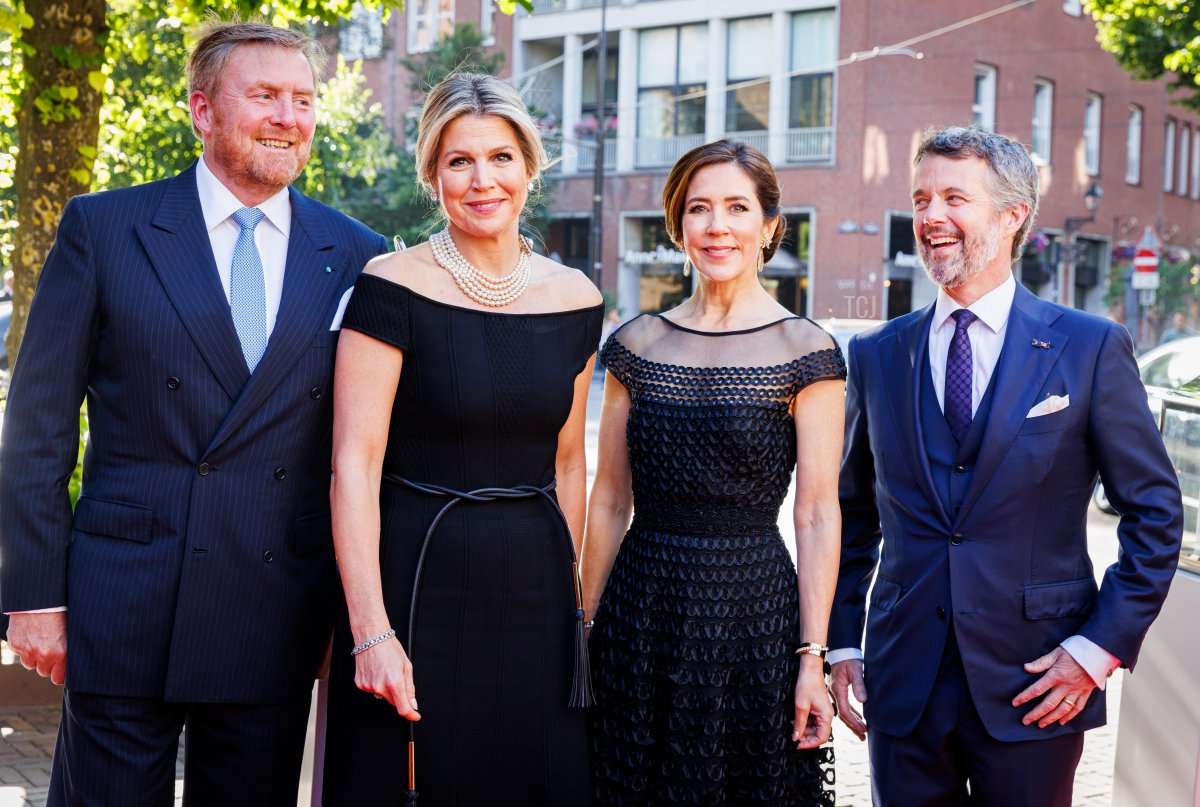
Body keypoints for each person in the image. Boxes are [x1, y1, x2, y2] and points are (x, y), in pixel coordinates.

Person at [0, 21, 389, 805]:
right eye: (266, 96)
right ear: (202, 111)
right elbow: (37, 427)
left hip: (272, 605)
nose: (289, 116)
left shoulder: (357, 251)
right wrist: (34, 595)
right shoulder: (105, 229)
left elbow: (365, 447)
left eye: (304, 100)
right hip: (122, 602)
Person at [830, 126, 1183, 806]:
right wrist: (842, 642)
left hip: (1039, 680)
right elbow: (851, 515)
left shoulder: (1088, 347)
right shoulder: (877, 353)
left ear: (1014, 213)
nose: (930, 217)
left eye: (954, 197)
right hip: (902, 682)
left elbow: (1155, 512)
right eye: (921, 198)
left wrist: (1097, 647)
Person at [321, 72, 603, 806]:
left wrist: (569, 604)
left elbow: (569, 461)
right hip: (416, 588)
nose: (484, 180)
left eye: (501, 157)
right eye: (460, 161)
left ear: (529, 167)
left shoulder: (577, 297)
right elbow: (354, 464)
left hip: (536, 597)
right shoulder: (388, 284)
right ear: (433, 174)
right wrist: (370, 630)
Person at [583, 139, 843, 806]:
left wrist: (812, 657)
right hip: (642, 611)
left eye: (736, 207)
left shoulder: (806, 350)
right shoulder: (637, 344)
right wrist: (586, 624)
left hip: (753, 614)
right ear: (677, 226)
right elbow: (610, 498)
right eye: (699, 208)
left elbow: (816, 514)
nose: (717, 225)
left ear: (769, 227)